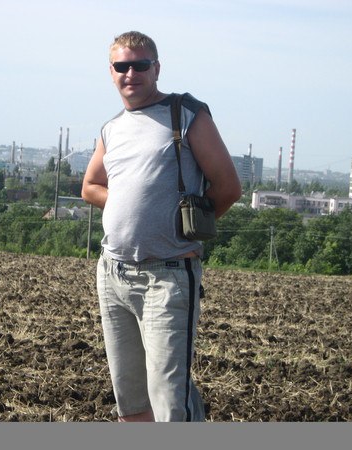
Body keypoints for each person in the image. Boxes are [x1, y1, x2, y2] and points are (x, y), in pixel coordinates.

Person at [81, 31, 242, 422]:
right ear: (111, 72)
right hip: (113, 274)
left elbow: (228, 187)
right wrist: (125, 202)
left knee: (170, 404)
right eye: (122, 66)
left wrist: (184, 231)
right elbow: (90, 186)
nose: (131, 73)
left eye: (140, 65)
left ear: (156, 68)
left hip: (167, 275)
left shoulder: (185, 115)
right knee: (132, 403)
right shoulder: (112, 128)